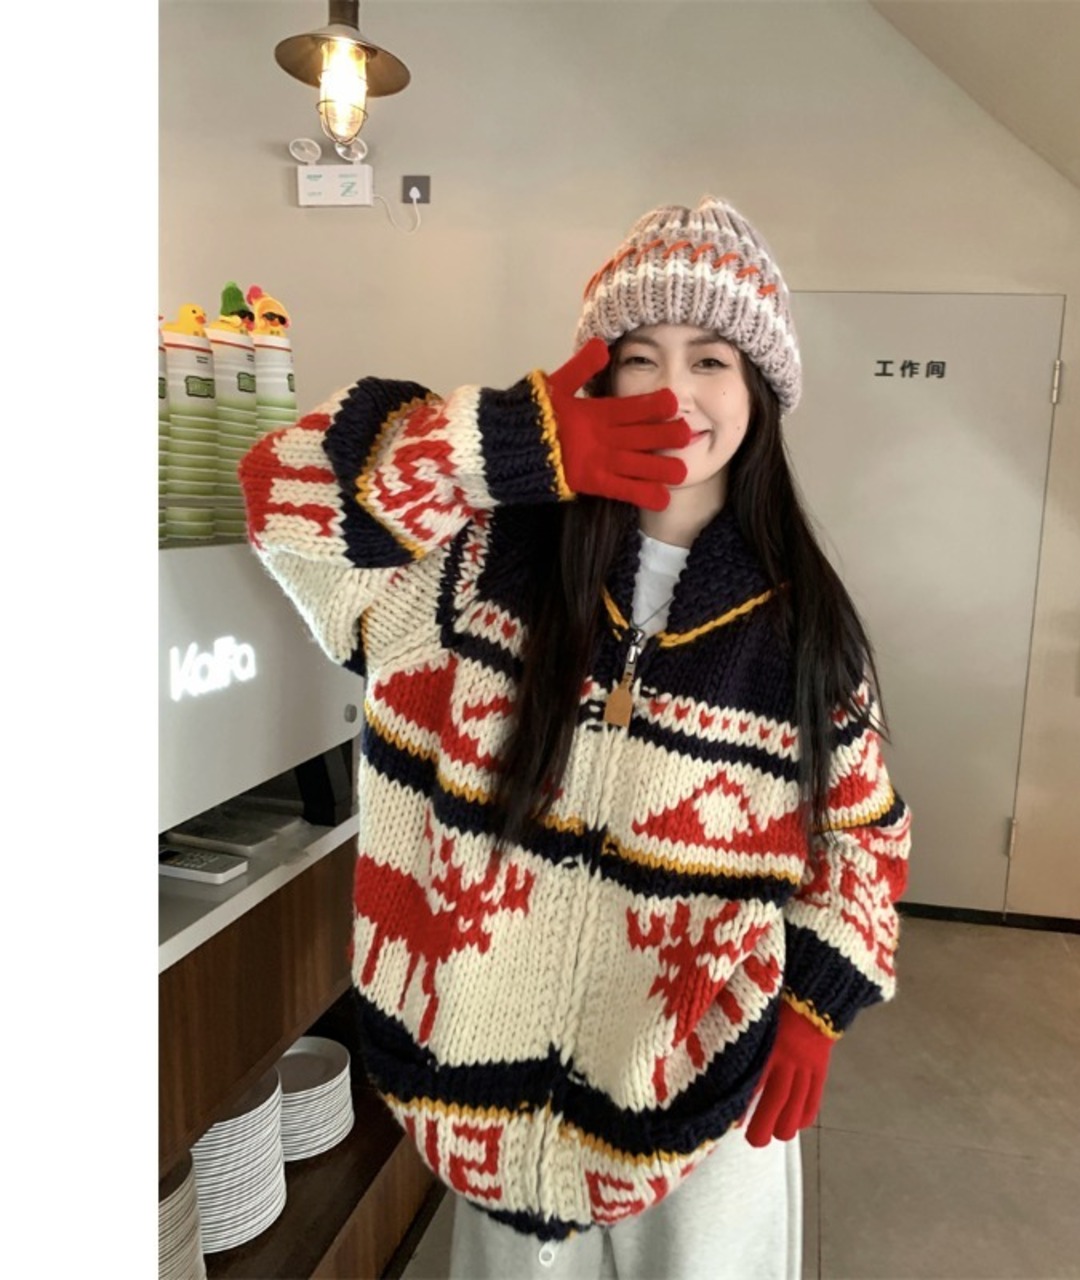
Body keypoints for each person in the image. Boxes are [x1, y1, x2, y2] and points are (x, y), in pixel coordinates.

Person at [239, 195, 911, 1278]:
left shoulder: (806, 634)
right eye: (639, 357)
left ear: (759, 391)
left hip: (706, 1103)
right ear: (595, 383)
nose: (674, 391)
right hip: (482, 1104)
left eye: (711, 359)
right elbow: (283, 494)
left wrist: (814, 999)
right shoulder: (471, 574)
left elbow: (865, 838)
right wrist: (508, 444)